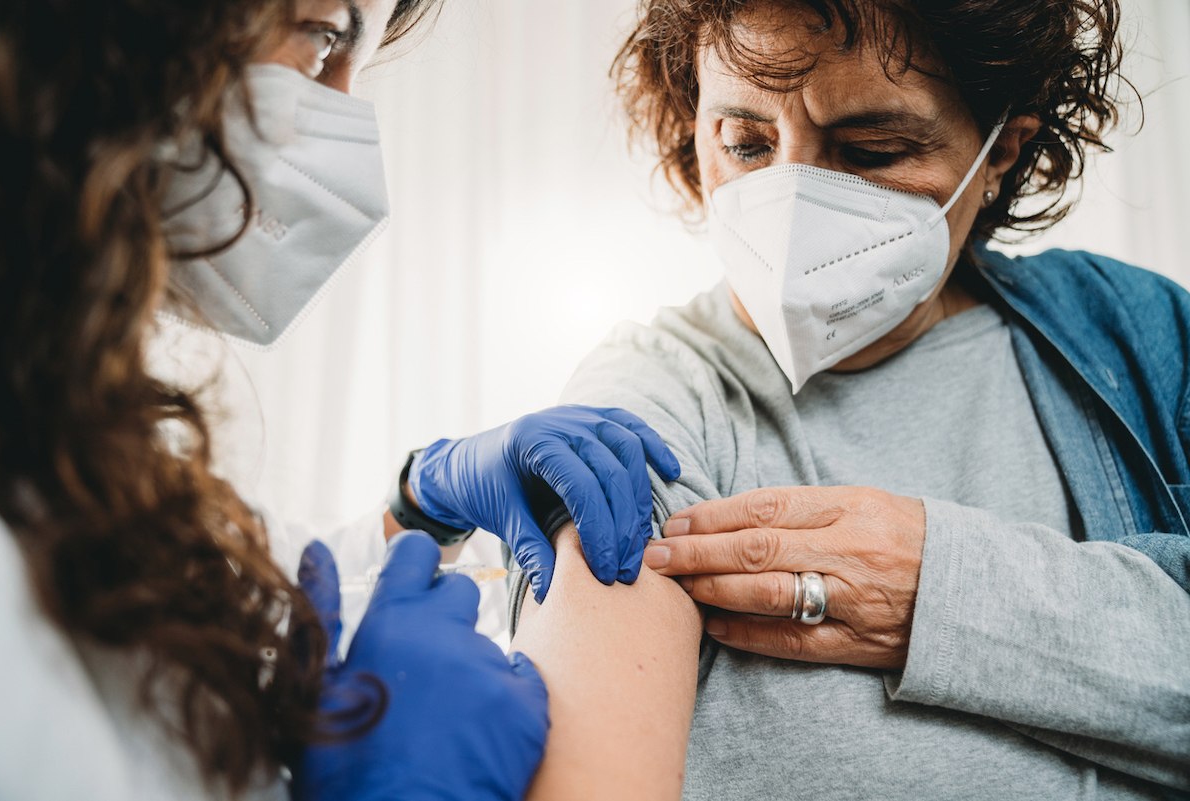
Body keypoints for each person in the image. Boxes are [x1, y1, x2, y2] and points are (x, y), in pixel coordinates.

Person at [0, 1, 681, 799]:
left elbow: (237, 596)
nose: (347, 127)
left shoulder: (58, 411)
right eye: (322, 39)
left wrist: (419, 507)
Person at [507, 1, 1190, 799]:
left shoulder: (1138, 335)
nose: (790, 207)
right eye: (745, 143)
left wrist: (943, 590)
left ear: (1001, 150)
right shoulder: (656, 393)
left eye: (872, 151)